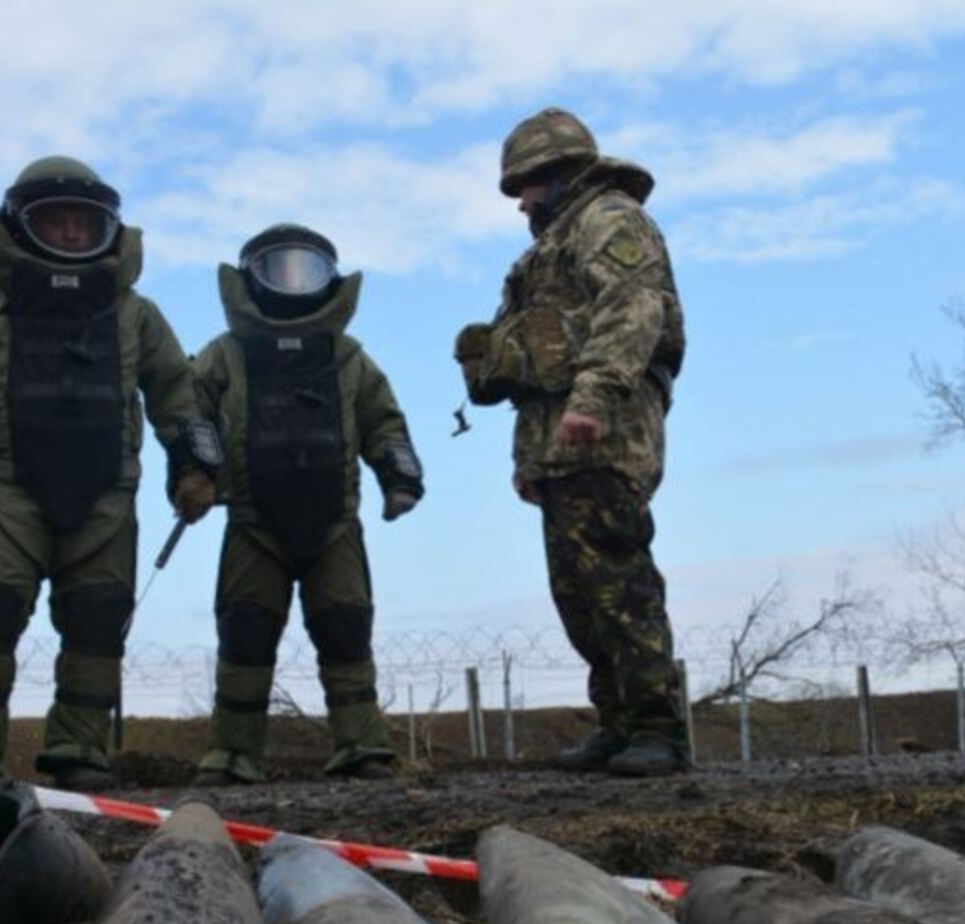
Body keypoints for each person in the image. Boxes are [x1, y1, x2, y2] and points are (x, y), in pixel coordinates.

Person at [0, 155, 219, 790]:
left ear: (108, 229)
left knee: (97, 625)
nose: (73, 232)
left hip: (107, 500)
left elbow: (177, 396)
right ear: (21, 225)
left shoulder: (135, 314)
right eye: (56, 220)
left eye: (85, 221)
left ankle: (79, 754)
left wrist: (194, 470)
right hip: (9, 494)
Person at [454, 107, 689, 776]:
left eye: (526, 185)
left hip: (607, 427)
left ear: (559, 173)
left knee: (616, 577)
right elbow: (534, 362)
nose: (521, 202)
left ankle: (658, 727)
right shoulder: (548, 249)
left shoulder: (610, 220)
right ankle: (618, 724)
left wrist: (592, 401)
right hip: (559, 442)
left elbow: (631, 309)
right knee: (578, 591)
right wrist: (529, 459)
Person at [190, 224, 424, 785]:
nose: (294, 282)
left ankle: (362, 747)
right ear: (252, 280)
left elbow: (383, 423)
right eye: (280, 270)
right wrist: (193, 475)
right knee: (245, 633)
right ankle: (233, 754)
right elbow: (190, 416)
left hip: (335, 522)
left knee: (346, 628)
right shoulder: (225, 354)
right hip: (251, 521)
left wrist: (400, 479)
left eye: (307, 270)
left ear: (329, 280)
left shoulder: (347, 357)